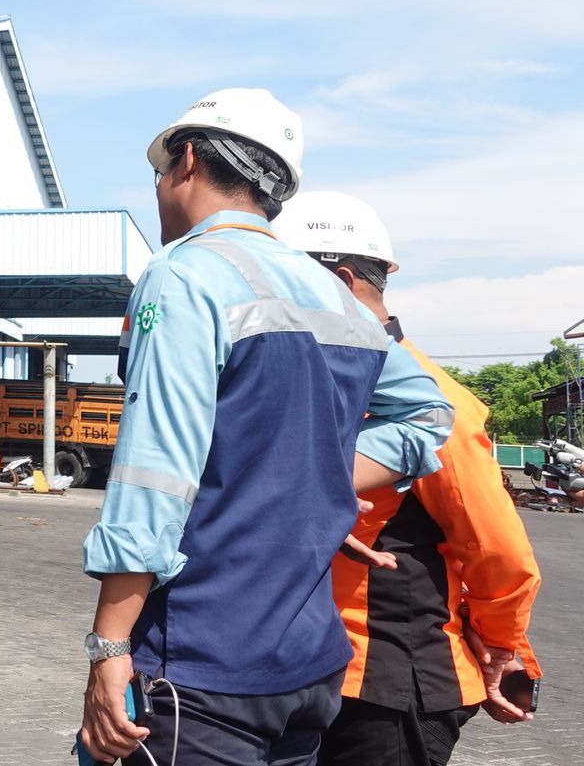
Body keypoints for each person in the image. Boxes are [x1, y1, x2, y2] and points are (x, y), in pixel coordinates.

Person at [78, 89, 453, 766]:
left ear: (186, 160)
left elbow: (152, 477)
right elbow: (429, 412)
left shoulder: (183, 275)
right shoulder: (332, 295)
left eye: (161, 172)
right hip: (308, 668)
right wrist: (317, 479)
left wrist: (109, 645)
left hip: (201, 666)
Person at [277, 191, 541, 766]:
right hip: (307, 670)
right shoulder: (316, 384)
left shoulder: (430, 399)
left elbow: (496, 546)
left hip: (388, 684)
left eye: (284, 284)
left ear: (341, 284)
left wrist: (502, 646)